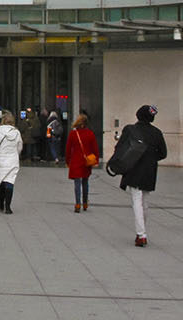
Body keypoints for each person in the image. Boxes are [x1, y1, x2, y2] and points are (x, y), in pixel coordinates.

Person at [112, 104, 167, 246]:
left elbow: (120, 149)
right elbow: (163, 153)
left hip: (134, 168)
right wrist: (151, 159)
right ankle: (142, 231)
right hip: (150, 170)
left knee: (137, 200)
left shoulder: (130, 130)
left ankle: (141, 234)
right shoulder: (157, 133)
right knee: (145, 201)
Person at [0, 110, 24, 213]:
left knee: (1, 181)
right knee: (10, 181)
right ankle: (8, 206)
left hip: (0, 160)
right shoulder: (17, 133)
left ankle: (1, 202)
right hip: (12, 160)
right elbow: (19, 147)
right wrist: (14, 154)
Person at [65, 111, 99, 213]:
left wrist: (68, 161)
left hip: (76, 161)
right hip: (86, 162)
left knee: (77, 183)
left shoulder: (73, 134)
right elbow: (95, 149)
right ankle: (85, 202)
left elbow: (68, 149)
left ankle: (77, 203)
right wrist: (96, 159)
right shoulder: (90, 134)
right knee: (85, 182)